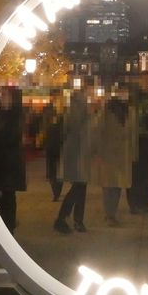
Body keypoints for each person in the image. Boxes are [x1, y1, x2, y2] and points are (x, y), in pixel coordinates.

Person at [0, 86, 26, 233]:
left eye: (6, 95)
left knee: (8, 194)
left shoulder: (16, 116)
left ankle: (8, 225)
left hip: (9, 162)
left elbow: (10, 138)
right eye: (1, 95)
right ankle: (4, 222)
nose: (2, 98)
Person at [92, 96, 134, 227]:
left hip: (109, 155)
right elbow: (130, 134)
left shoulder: (105, 114)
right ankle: (111, 214)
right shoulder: (126, 115)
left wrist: (98, 150)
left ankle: (109, 214)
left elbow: (97, 131)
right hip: (118, 156)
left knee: (109, 186)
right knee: (115, 186)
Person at [55, 90, 91, 234]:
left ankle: (77, 220)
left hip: (79, 154)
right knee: (78, 187)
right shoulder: (77, 112)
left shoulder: (76, 111)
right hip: (76, 154)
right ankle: (62, 218)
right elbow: (79, 131)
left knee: (81, 187)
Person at [43, 98, 64, 201]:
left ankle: (57, 191)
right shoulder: (49, 113)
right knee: (53, 171)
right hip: (51, 146)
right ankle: (56, 192)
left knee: (57, 171)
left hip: (58, 146)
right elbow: (44, 128)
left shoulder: (63, 116)